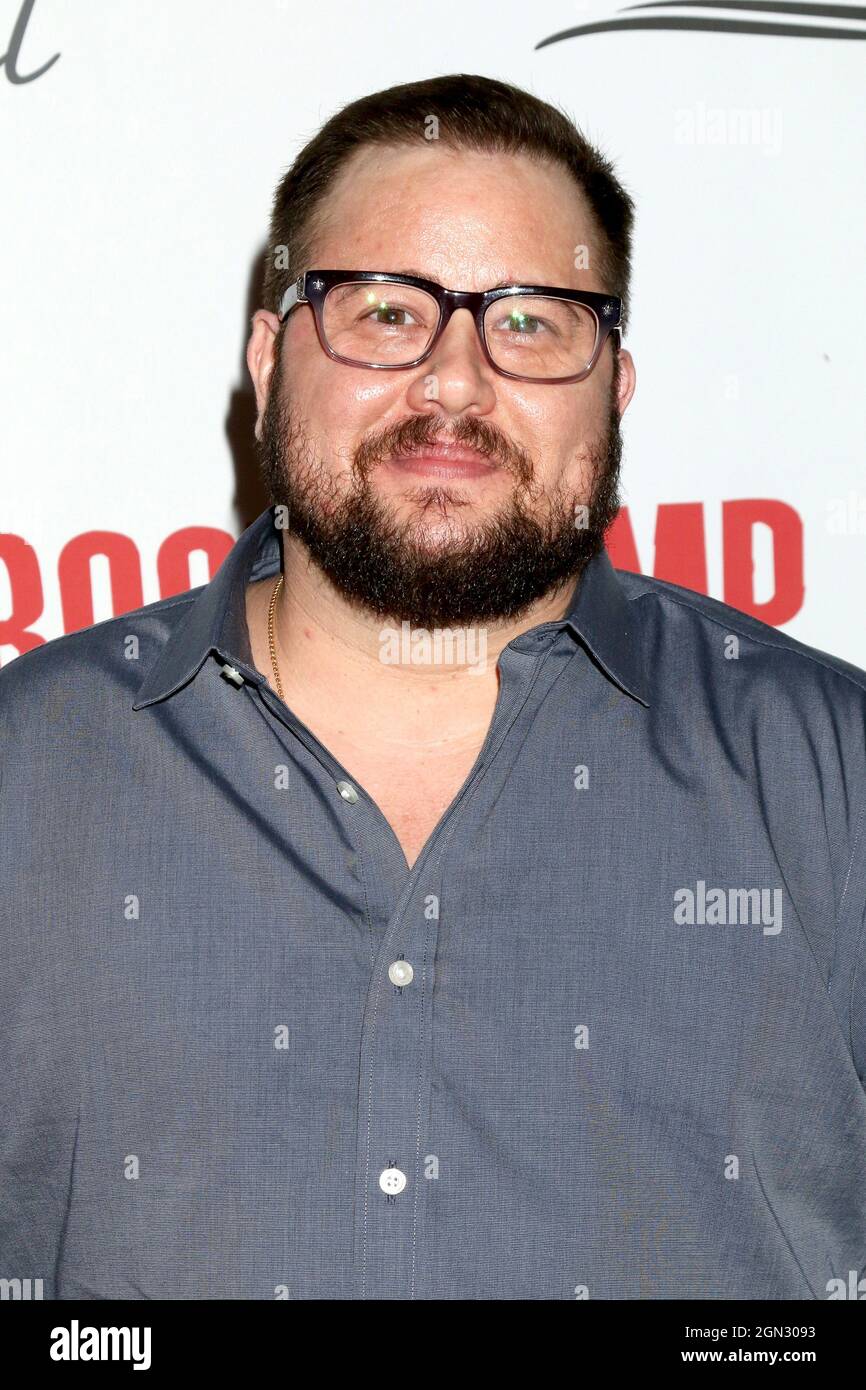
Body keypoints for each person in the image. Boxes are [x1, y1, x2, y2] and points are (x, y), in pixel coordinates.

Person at [2, 73, 865, 1302]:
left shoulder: (831, 776)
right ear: (266, 359)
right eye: (383, 310)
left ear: (612, 388)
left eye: (529, 322)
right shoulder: (28, 772)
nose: (454, 383)